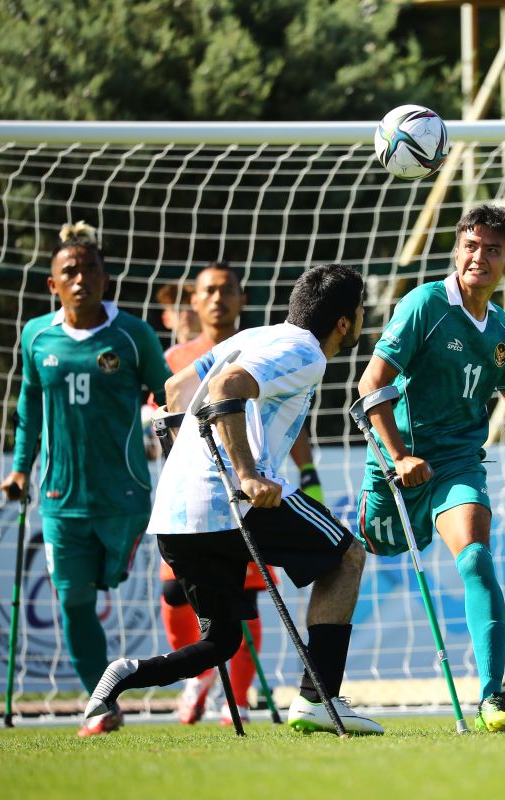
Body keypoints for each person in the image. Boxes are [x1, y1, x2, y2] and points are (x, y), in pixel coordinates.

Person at [83, 263, 382, 736]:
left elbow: (177, 388)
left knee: (221, 641)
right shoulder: (306, 352)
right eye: (361, 311)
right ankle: (318, 699)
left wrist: (189, 461)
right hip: (233, 501)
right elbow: (227, 388)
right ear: (344, 322)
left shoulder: (255, 336)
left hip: (177, 512)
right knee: (346, 556)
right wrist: (243, 472)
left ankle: (126, 675)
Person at [355, 204, 505, 732]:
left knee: (477, 559)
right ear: (457, 250)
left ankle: (491, 699)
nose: (478, 257)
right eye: (470, 245)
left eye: (492, 250)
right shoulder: (424, 304)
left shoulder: (501, 331)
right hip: (397, 464)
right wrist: (398, 456)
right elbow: (371, 384)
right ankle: (323, 689)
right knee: (368, 549)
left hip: (458, 463)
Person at [0, 222, 173, 737]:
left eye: (90, 269)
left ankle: (108, 579)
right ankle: (101, 705)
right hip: (58, 498)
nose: (81, 278)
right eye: (69, 271)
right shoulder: (36, 335)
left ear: (106, 278)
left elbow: (167, 397)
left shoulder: (132, 334)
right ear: (53, 285)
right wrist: (18, 468)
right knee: (74, 599)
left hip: (125, 497)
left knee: (107, 580)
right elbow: (30, 405)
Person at [157, 262, 326, 727]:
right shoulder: (179, 357)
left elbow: (292, 422)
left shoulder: (264, 342)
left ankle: (242, 692)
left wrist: (307, 471)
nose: (218, 299)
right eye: (209, 290)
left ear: (241, 298)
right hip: (198, 494)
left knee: (249, 598)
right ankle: (200, 677)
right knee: (175, 592)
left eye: (227, 290)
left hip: (248, 496)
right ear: (193, 300)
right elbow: (165, 402)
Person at [155, 282, 201, 346]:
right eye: (177, 310)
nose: (186, 314)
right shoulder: (168, 355)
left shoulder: (218, 353)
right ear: (166, 320)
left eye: (192, 307)